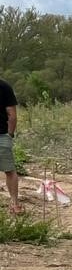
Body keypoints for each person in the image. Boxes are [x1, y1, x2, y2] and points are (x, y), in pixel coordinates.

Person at [0, 74, 17, 213]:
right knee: (9, 170)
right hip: (3, 135)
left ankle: (14, 203)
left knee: (9, 170)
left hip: (2, 134)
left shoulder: (4, 86)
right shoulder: (4, 86)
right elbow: (12, 114)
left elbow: (12, 115)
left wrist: (9, 134)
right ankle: (14, 203)